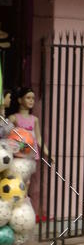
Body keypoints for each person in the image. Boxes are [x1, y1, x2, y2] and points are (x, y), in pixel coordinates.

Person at [8, 86, 47, 217]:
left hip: (30, 155)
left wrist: (47, 152)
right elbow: (7, 135)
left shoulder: (34, 119)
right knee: (16, 178)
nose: (31, 101)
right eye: (28, 98)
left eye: (33, 98)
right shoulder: (14, 118)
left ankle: (23, 208)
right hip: (17, 155)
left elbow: (39, 137)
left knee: (28, 181)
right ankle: (14, 204)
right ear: (20, 100)